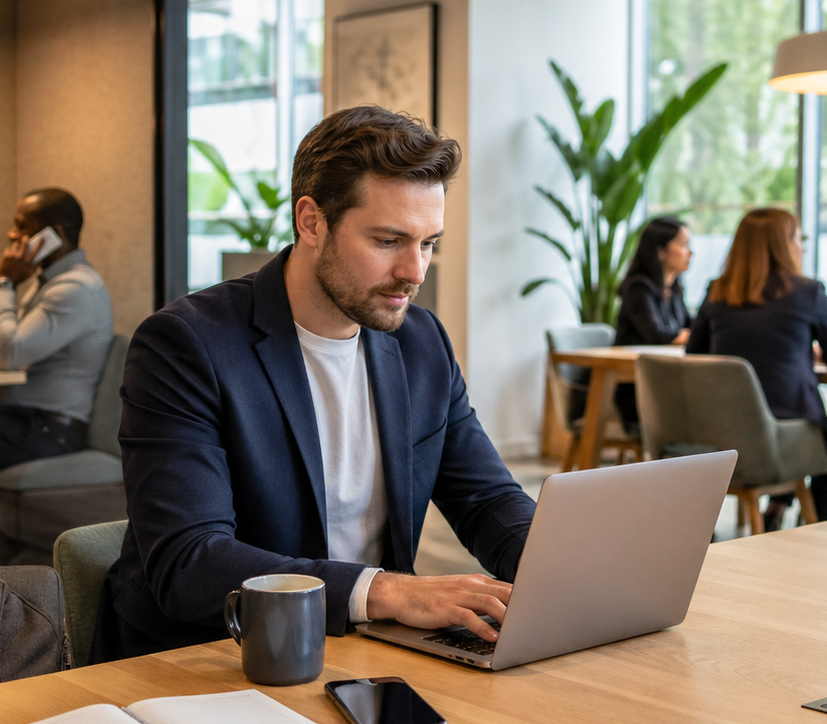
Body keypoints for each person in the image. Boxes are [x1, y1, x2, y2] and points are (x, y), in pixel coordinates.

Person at [96, 106, 537, 661]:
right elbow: (190, 561)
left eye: (428, 243)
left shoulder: (421, 342)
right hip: (210, 657)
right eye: (388, 241)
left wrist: (557, 571)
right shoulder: (186, 346)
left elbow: (485, 497)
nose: (415, 272)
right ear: (311, 222)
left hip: (365, 647)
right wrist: (386, 590)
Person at [0, 188, 114, 564]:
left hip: (49, 430)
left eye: (21, 227)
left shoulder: (74, 289)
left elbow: (10, 352)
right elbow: (20, 344)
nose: (12, 236)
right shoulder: (53, 282)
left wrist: (4, 284)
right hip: (16, 417)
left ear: (54, 233)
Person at [685, 208, 827, 530]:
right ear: (783, 245)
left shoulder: (717, 291)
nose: (802, 246)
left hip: (719, 433)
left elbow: (694, 355)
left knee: (811, 431)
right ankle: (818, 529)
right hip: (780, 432)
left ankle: (777, 506)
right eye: (797, 238)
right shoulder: (808, 292)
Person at [612, 217, 692, 431]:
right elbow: (656, 335)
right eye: (683, 244)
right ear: (661, 251)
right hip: (636, 389)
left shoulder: (674, 291)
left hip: (663, 382)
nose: (690, 252)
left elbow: (693, 328)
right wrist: (685, 335)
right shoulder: (638, 288)